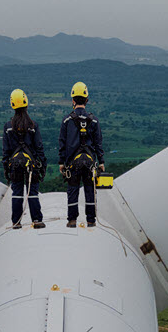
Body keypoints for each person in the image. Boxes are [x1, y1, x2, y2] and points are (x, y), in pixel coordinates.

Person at [59, 82, 103, 228]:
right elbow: (98, 143)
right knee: (90, 190)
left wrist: (61, 162)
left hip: (73, 162)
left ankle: (72, 220)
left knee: (73, 190)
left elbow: (62, 143)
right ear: (86, 100)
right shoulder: (94, 120)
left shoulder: (67, 120)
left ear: (73, 100)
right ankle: (91, 220)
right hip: (90, 162)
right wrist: (101, 161)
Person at [1, 89, 46, 229]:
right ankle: (37, 219)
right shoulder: (33, 126)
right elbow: (39, 148)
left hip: (15, 165)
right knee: (32, 192)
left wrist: (6, 168)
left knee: (17, 193)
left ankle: (16, 221)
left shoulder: (8, 127)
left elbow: (6, 150)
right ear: (26, 102)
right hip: (30, 165)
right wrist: (42, 166)